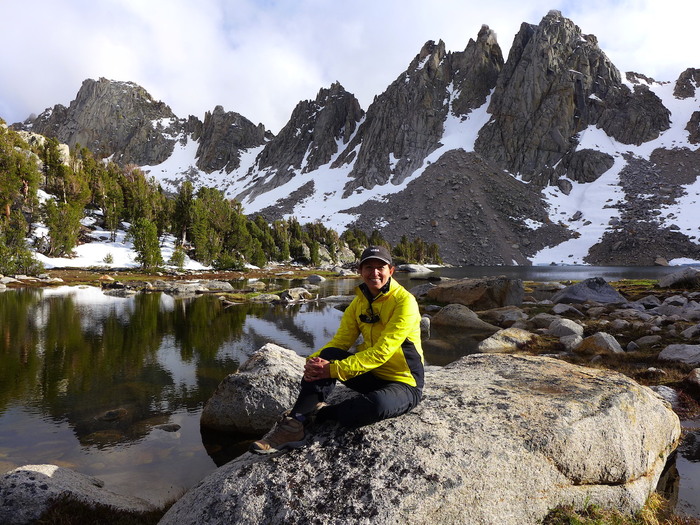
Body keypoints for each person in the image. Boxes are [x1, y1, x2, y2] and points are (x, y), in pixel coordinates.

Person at [250, 245, 424, 454]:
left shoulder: (404, 302)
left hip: (405, 382)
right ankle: (294, 424)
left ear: (391, 271)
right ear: (360, 271)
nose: (374, 273)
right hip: (372, 374)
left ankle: (320, 414)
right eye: (369, 267)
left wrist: (332, 370)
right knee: (327, 356)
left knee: (377, 405)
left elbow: (382, 352)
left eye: (381, 267)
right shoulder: (358, 303)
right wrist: (312, 362)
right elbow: (340, 342)